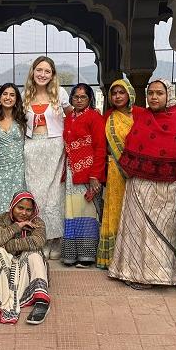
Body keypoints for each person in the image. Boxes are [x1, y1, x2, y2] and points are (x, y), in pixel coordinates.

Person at [110, 79, 176, 289]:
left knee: (160, 232)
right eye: (151, 93)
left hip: (165, 190)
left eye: (159, 93)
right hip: (138, 185)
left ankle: (159, 275)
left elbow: (175, 152)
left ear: (168, 95)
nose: (154, 97)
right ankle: (132, 272)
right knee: (136, 231)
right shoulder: (143, 117)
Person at [23, 56, 72, 260]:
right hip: (32, 147)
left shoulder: (59, 93)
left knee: (54, 195)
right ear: (33, 72)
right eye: (39, 70)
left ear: (52, 75)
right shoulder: (25, 94)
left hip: (54, 147)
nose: (42, 74)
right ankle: (39, 238)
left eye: (47, 71)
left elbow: (72, 116)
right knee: (36, 194)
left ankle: (55, 239)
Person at [0, 191, 50, 326]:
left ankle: (41, 302)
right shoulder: (1, 219)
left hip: (25, 270)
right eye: (20, 208)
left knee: (34, 253)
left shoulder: (37, 222)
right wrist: (18, 226)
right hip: (6, 267)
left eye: (29, 210)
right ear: (12, 206)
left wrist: (9, 245)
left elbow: (38, 241)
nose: (24, 213)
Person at [62, 83, 105, 268]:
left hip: (87, 175)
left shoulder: (95, 117)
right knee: (71, 212)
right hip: (72, 173)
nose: (79, 100)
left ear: (89, 99)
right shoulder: (68, 118)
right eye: (76, 97)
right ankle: (71, 255)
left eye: (83, 97)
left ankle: (87, 256)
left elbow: (100, 147)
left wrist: (95, 175)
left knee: (87, 213)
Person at [97, 79, 135, 269]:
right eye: (114, 93)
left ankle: (131, 253)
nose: (118, 96)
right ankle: (111, 256)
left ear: (130, 94)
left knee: (134, 211)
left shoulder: (139, 116)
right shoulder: (108, 118)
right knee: (114, 208)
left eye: (122, 92)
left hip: (136, 172)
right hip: (114, 170)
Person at [0, 83, 27, 216]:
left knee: (18, 207)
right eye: (5, 94)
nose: (8, 97)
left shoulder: (22, 120)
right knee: (0, 209)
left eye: (12, 95)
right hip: (0, 172)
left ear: (16, 100)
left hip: (18, 171)